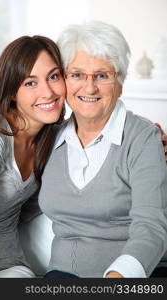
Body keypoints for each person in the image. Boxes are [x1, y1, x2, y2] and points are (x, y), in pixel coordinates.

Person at [38, 21, 167, 278]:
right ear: (64, 80)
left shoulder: (142, 138)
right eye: (76, 74)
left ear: (120, 82)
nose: (89, 87)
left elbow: (151, 228)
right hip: (61, 277)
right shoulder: (49, 138)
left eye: (102, 75)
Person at [0, 35, 66, 277]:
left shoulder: (54, 139)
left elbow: (98, 128)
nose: (47, 92)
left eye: (53, 76)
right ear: (11, 92)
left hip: (11, 266)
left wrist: (146, 134)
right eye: (30, 83)